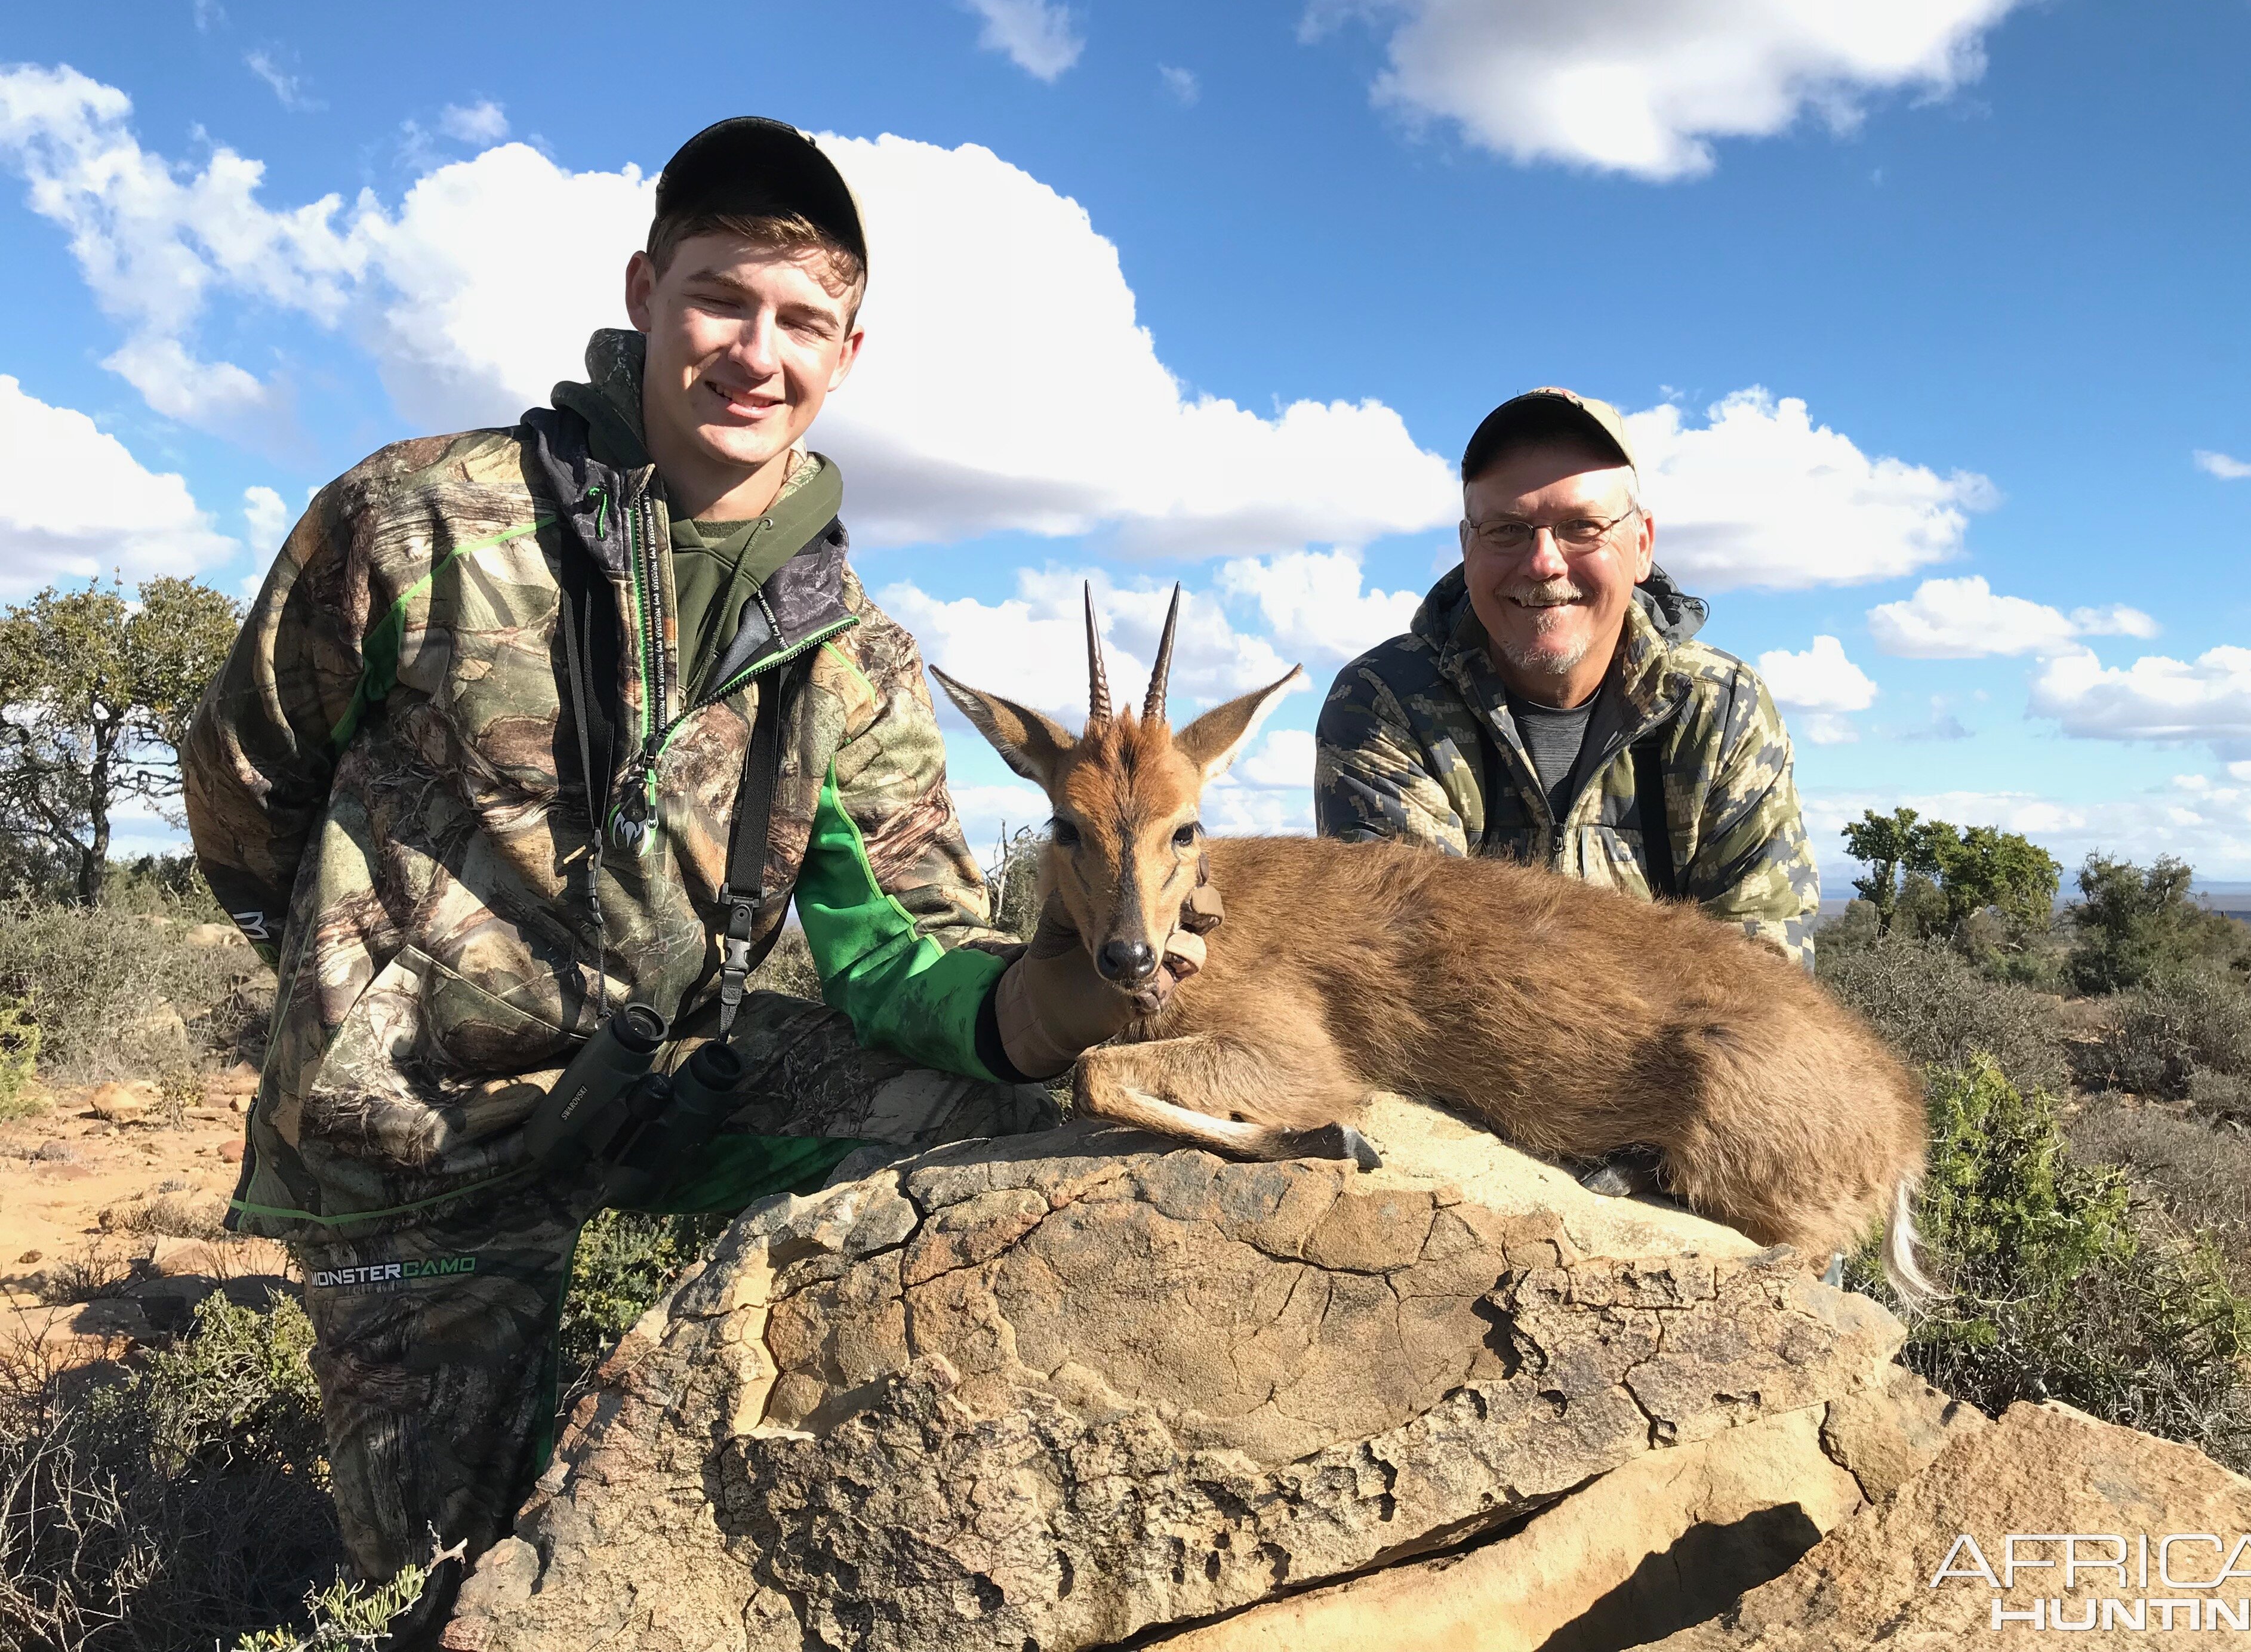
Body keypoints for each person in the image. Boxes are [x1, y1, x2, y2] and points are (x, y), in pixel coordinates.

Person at [181, 117, 1152, 1643]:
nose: (756, 352)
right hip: (418, 1144)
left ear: (848, 351)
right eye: (721, 299)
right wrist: (353, 1001)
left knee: (1015, 1126)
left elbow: (900, 949)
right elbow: (247, 781)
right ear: (646, 289)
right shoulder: (419, 514)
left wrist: (1069, 989)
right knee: (450, 1579)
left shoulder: (855, 652)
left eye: (802, 322)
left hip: (669, 1094)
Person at [1314, 386, 1819, 964]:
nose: (1544, 563)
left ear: (1642, 544)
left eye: (1581, 526)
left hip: (1691, 1055)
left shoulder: (1723, 711)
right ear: (1465, 547)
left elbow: (1766, 991)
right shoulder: (1385, 704)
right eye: (1506, 529)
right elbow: (1413, 979)